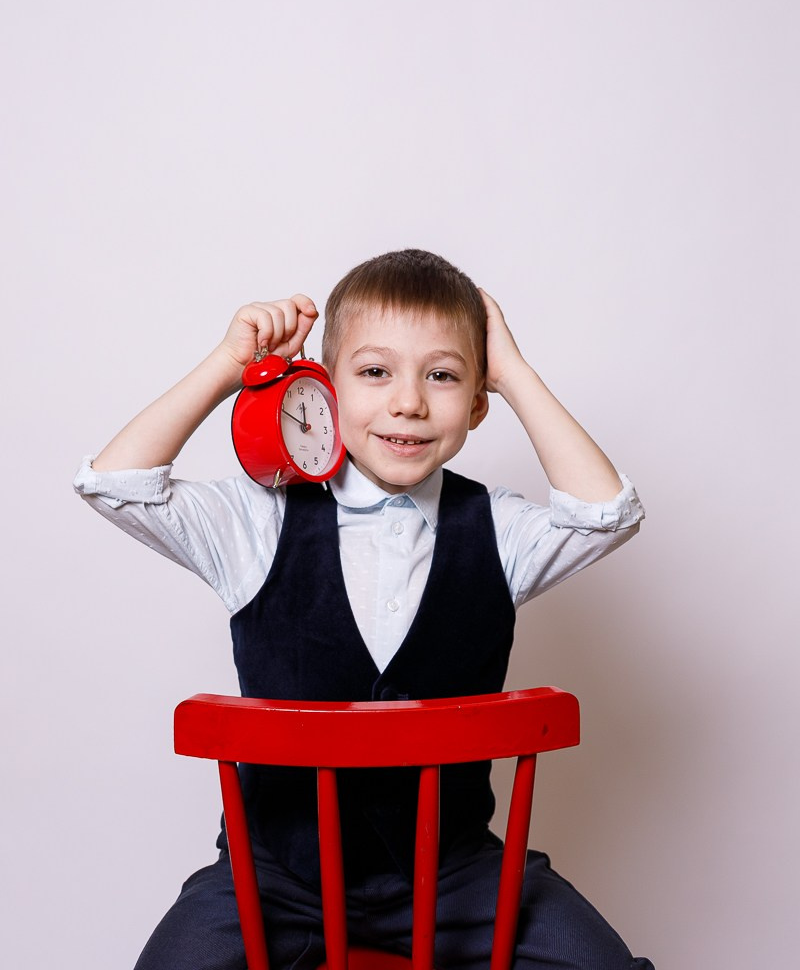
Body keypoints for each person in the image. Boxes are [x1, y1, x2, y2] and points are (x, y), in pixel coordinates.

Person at [74, 249, 653, 970]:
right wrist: (228, 367)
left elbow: (606, 515)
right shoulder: (262, 520)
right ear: (323, 387)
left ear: (476, 404)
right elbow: (117, 484)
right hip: (277, 879)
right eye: (375, 372)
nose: (408, 402)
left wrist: (513, 373)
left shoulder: (496, 530)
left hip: (454, 877)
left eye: (442, 376)